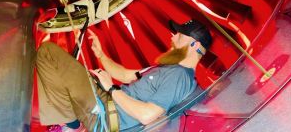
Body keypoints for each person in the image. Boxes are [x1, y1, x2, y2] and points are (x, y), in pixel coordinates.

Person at [36, 19, 212, 132]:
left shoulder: (179, 77)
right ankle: (68, 121)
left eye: (180, 35)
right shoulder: (168, 68)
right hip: (106, 101)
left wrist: (111, 88)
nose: (173, 37)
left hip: (106, 115)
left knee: (47, 53)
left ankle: (71, 125)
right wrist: (100, 54)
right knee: (61, 70)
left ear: (194, 45)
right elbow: (125, 75)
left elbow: (147, 115)